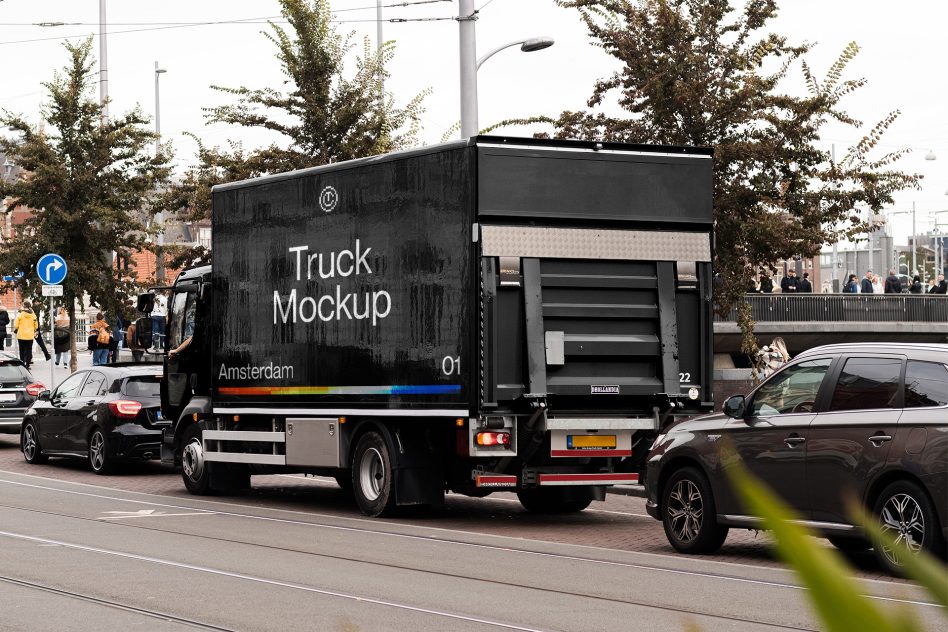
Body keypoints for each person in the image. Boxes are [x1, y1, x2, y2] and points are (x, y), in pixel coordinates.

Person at [13, 303, 38, 369]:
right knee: (29, 350)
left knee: (21, 350)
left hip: (21, 335)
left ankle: (22, 363)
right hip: (29, 336)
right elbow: (36, 326)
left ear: (24, 307)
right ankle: (28, 365)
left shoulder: (20, 315)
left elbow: (16, 325)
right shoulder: (33, 315)